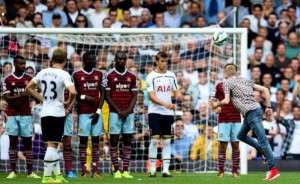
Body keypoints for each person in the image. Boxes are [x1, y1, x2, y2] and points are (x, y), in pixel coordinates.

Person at [211, 63, 280, 180]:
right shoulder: (245, 81)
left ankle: (273, 169)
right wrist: (268, 107)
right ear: (236, 72)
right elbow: (265, 89)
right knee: (241, 135)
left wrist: (216, 104)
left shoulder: (227, 82)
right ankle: (261, 151)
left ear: (226, 73)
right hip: (252, 112)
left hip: (252, 113)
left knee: (263, 139)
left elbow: (226, 100)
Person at [26, 48, 76, 183]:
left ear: (52, 59)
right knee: (52, 146)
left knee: (53, 145)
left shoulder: (42, 72)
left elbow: (29, 87)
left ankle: (58, 175)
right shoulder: (64, 74)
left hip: (45, 112)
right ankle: (47, 177)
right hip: (57, 112)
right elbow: (73, 92)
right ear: (65, 61)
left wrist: (42, 99)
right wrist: (67, 103)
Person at [2, 55, 40, 179]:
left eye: (24, 64)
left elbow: (37, 93)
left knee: (28, 143)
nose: (23, 66)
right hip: (12, 114)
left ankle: (30, 172)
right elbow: (7, 98)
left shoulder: (30, 79)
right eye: (20, 64)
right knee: (12, 142)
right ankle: (13, 171)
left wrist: (36, 96)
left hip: (26, 115)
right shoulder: (7, 79)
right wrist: (22, 95)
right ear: (15, 64)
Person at [146, 51, 182, 177]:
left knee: (167, 141)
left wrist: (179, 95)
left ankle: (165, 170)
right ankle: (152, 169)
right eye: (162, 61)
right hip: (154, 111)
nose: (164, 64)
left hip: (167, 113)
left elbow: (176, 90)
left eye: (166, 61)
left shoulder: (171, 75)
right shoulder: (151, 76)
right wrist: (165, 104)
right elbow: (151, 96)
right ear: (156, 61)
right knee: (155, 140)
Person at [103, 50, 138, 178]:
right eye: (119, 59)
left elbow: (135, 95)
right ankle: (116, 170)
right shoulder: (109, 75)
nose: (122, 61)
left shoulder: (132, 76)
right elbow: (107, 96)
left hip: (129, 113)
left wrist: (128, 111)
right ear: (115, 60)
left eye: (124, 59)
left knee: (128, 140)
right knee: (113, 140)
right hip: (114, 113)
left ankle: (126, 170)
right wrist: (119, 111)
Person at [72, 52, 105, 178]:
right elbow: (73, 94)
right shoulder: (76, 74)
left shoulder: (99, 74)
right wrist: (85, 97)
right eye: (91, 59)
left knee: (96, 142)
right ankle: (84, 171)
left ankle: (95, 171)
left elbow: (103, 95)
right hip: (83, 113)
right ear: (85, 61)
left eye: (94, 59)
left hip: (96, 113)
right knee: (83, 142)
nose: (94, 61)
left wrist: (98, 111)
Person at [211, 82, 241, 177]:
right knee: (223, 145)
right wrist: (215, 107)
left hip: (236, 119)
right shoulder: (219, 85)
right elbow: (212, 100)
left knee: (235, 145)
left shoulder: (239, 85)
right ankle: (221, 171)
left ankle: (235, 171)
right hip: (223, 119)